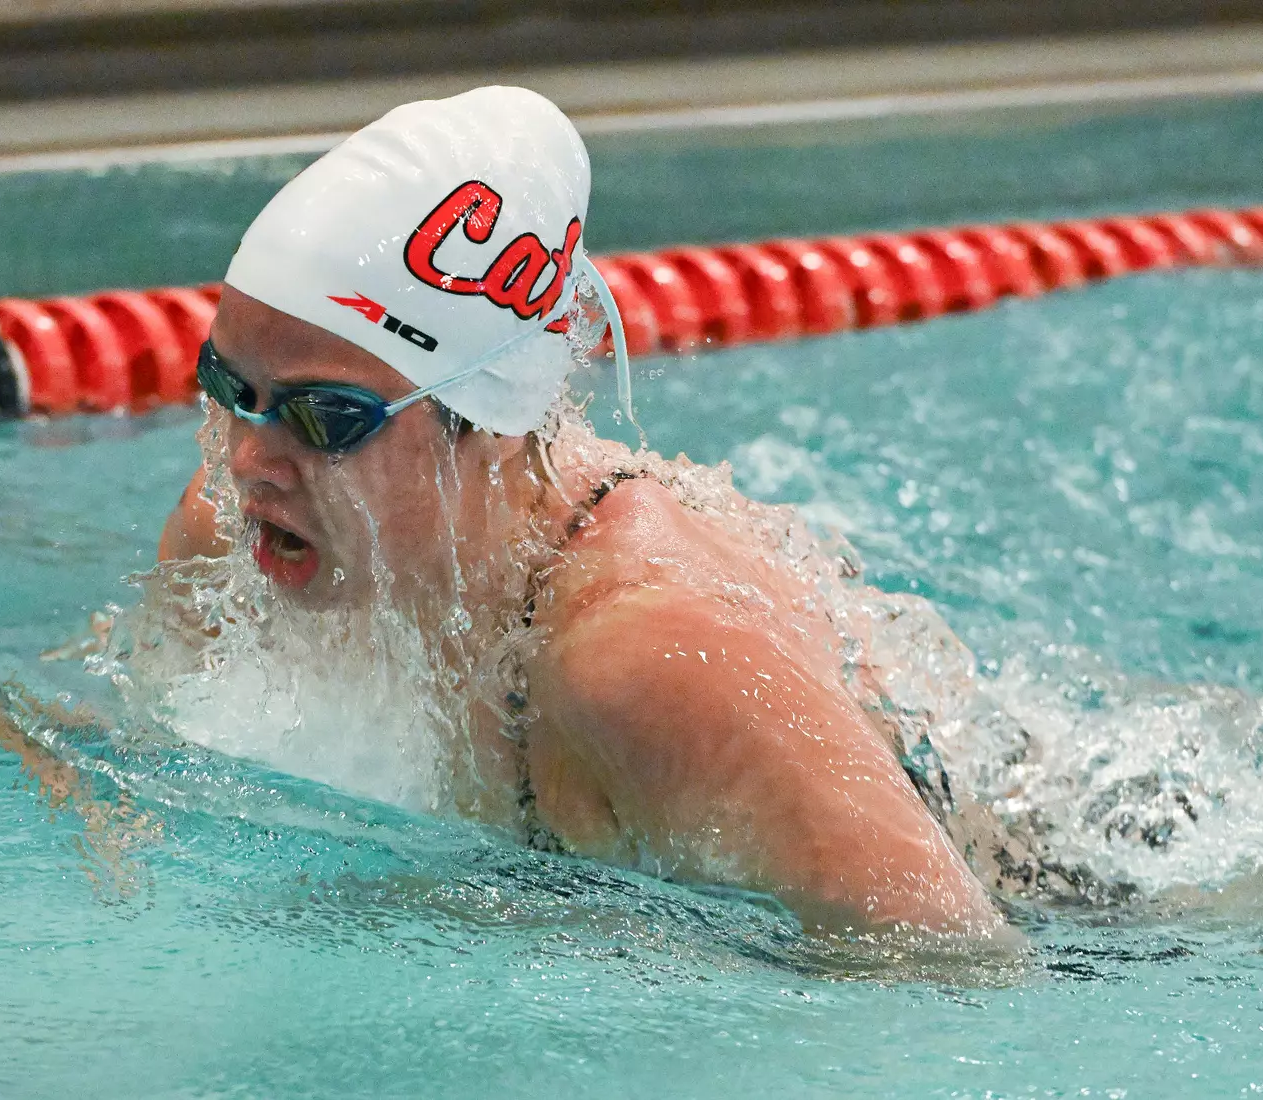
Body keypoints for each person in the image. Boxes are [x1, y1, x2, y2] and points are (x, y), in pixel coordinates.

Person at [157, 86, 1009, 940]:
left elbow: (946, 965)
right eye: (231, 390)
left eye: (323, 418)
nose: (247, 461)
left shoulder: (644, 658)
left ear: (490, 428)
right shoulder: (229, 538)